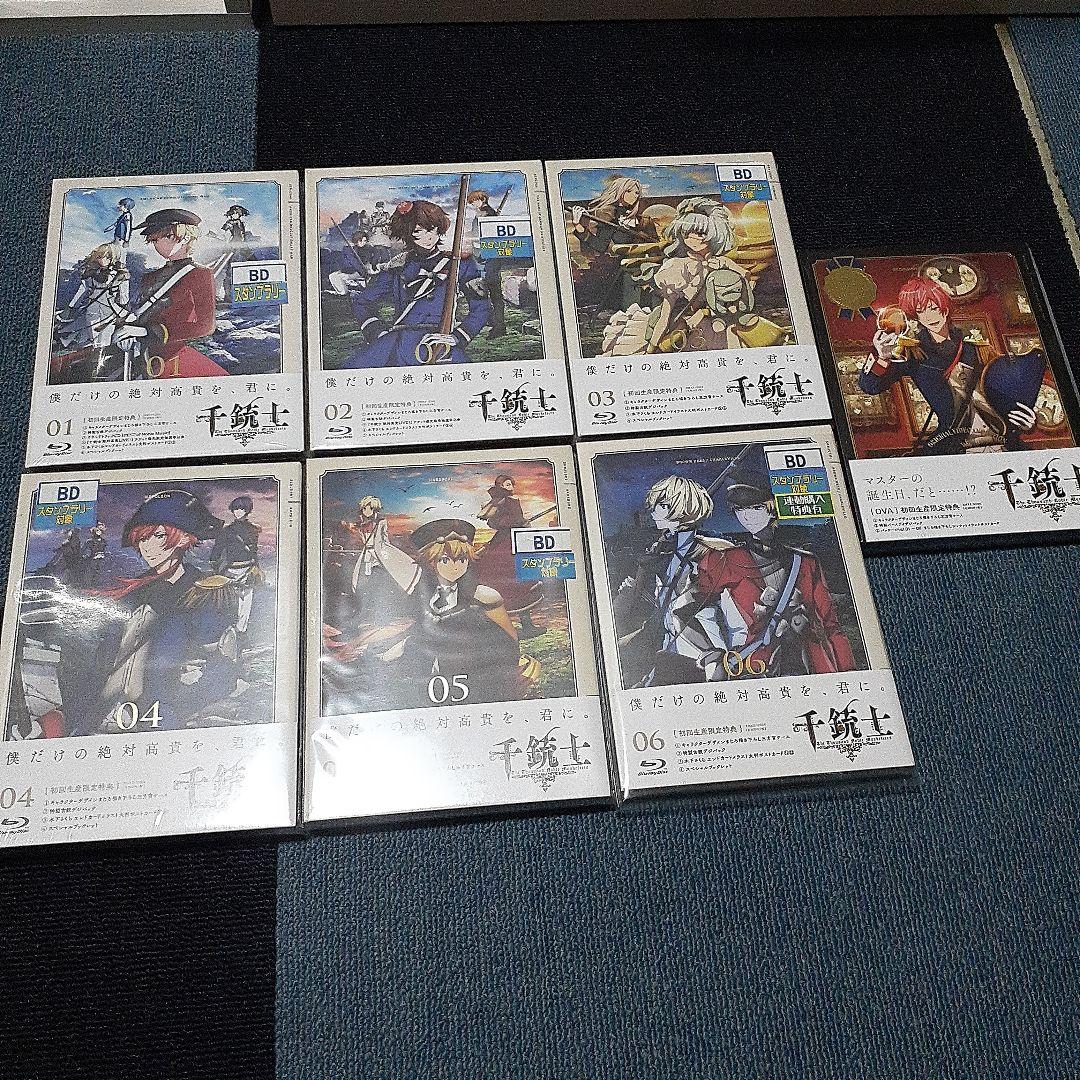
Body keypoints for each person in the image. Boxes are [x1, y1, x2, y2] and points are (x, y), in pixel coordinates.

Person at [697, 478, 856, 679]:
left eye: (756, 508)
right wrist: (712, 652)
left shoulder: (805, 562)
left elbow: (830, 624)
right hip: (754, 666)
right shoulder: (723, 560)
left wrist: (849, 672)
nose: (746, 516)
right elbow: (690, 609)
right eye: (739, 509)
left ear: (772, 509)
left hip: (810, 662)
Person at [859, 276, 1037, 454]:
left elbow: (1006, 393)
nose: (930, 316)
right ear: (916, 316)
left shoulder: (979, 350)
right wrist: (882, 357)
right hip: (950, 444)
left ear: (944, 308)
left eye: (934, 308)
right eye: (921, 311)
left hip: (1000, 439)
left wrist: (1026, 422)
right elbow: (870, 386)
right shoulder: (913, 354)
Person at [370, 518, 524, 707]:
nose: (455, 566)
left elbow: (509, 639)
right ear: (431, 561)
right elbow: (421, 635)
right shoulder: (428, 597)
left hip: (477, 675)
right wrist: (393, 652)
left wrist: (512, 668)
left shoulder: (483, 596)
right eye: (445, 560)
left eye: (462, 559)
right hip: (432, 679)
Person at [615, 474, 733, 687]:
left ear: (685, 508)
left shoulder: (714, 552)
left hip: (704, 653)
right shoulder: (664, 552)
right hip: (667, 649)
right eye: (654, 505)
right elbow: (663, 606)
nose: (654, 511)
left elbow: (728, 612)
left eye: (662, 505)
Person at [344, 198, 492, 367]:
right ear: (407, 232)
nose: (429, 237)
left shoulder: (459, 264)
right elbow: (362, 301)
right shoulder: (398, 266)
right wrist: (377, 332)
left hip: (440, 344)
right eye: (419, 231)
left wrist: (459, 336)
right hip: (399, 342)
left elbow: (482, 307)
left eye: (432, 229)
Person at [602, 198, 758, 356]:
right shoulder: (677, 267)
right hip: (690, 329)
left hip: (722, 324)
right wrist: (651, 350)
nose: (695, 239)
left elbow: (747, 279)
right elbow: (666, 313)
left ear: (714, 233)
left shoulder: (723, 262)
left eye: (701, 233)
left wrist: (730, 288)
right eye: (688, 233)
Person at [112, 208, 227, 379]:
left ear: (186, 238)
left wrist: (148, 332)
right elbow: (139, 313)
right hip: (141, 352)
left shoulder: (200, 274)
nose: (158, 244)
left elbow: (205, 326)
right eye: (154, 239)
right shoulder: (149, 277)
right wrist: (126, 329)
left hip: (174, 354)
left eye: (166, 237)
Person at [475, 475, 547, 638]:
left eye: (511, 484)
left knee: (520, 581)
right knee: (515, 580)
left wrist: (520, 522)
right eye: (507, 484)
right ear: (501, 486)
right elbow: (495, 522)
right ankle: (509, 628)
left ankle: (525, 627)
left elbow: (500, 521)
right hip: (507, 543)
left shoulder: (503, 501)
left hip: (512, 540)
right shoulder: (503, 501)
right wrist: (518, 522)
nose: (511, 487)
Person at [568, 175, 649, 313]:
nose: (634, 196)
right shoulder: (610, 219)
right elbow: (600, 246)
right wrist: (578, 225)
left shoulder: (644, 221)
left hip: (646, 268)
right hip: (623, 273)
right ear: (619, 192)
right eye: (628, 191)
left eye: (637, 193)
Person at [54, 243, 130, 354]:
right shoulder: (92, 273)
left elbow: (124, 299)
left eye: (106, 257)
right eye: (99, 257)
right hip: (94, 312)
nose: (102, 260)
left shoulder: (121, 275)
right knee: (96, 342)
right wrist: (71, 307)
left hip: (108, 313)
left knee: (103, 342)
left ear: (112, 258)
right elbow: (82, 291)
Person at [211, 495, 262, 644]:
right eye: (236, 509)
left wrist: (257, 568)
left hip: (248, 569)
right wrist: (215, 565)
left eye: (241, 509)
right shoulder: (226, 531)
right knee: (232, 603)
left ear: (247, 510)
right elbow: (217, 550)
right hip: (231, 570)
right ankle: (231, 634)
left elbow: (254, 552)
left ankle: (241, 633)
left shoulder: (253, 529)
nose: (238, 512)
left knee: (246, 603)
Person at [107, 197, 135, 261]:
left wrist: (126, 241)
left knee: (121, 253)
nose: (118, 206)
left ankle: (120, 264)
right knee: (115, 252)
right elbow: (116, 224)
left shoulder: (127, 215)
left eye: (120, 205)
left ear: (125, 206)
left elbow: (128, 228)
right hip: (117, 237)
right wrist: (109, 228)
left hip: (121, 239)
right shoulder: (123, 215)